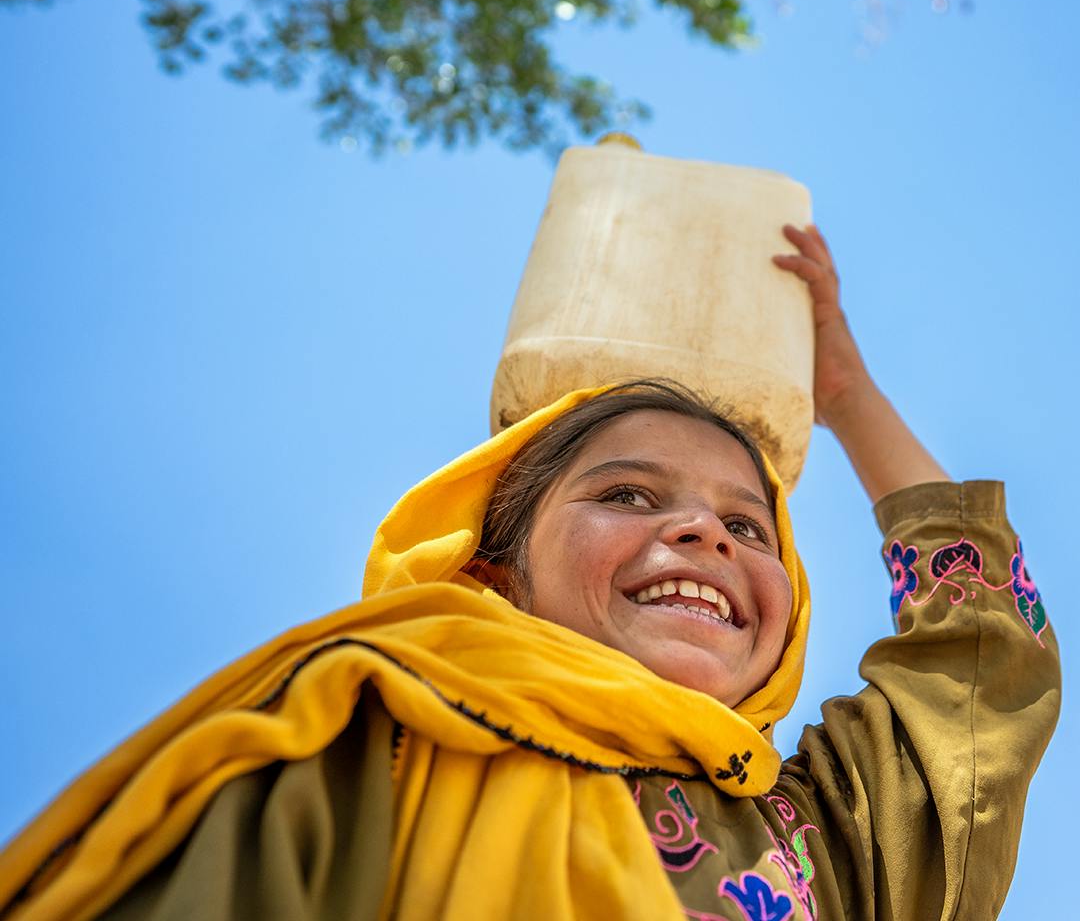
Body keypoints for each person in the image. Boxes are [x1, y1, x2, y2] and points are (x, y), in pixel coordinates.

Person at [0, 226, 1059, 920]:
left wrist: (845, 392)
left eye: (750, 524)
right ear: (495, 571)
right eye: (629, 496)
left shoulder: (821, 837)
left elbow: (976, 665)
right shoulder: (360, 725)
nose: (706, 534)